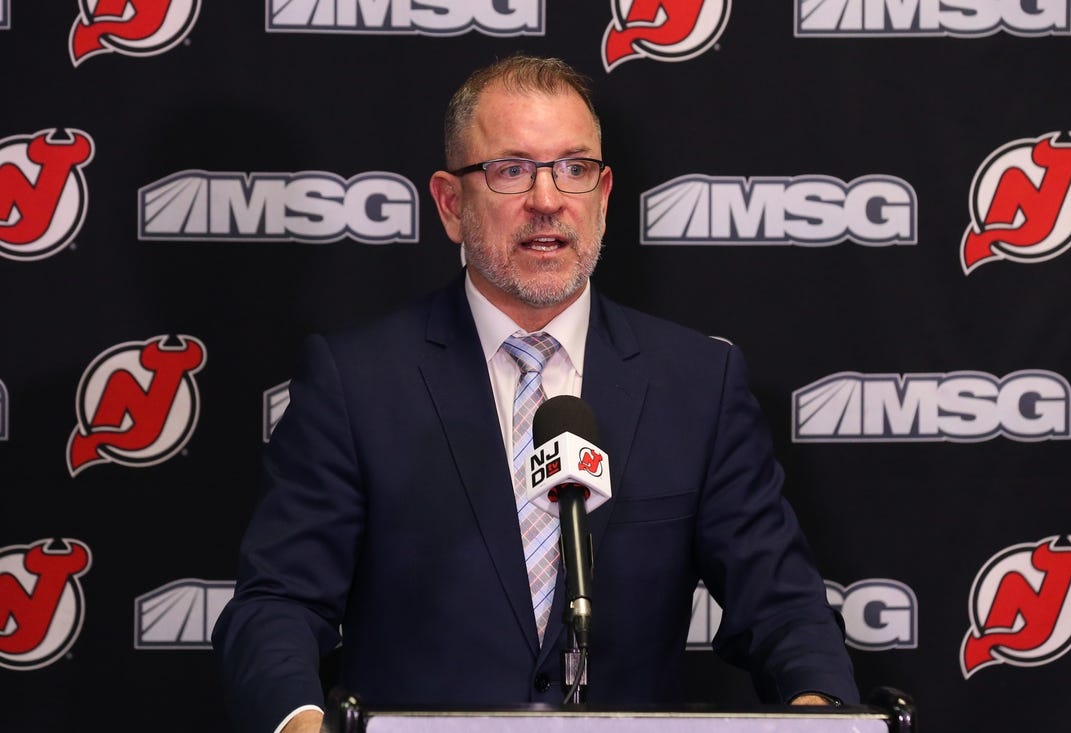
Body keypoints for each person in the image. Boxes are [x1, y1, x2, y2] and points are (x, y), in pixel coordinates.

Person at [212, 53, 858, 733]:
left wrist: (821, 713)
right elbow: (278, 603)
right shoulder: (357, 380)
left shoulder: (696, 382)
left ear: (603, 197)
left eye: (573, 169)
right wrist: (299, 723)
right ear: (450, 203)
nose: (547, 199)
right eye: (510, 169)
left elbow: (783, 608)